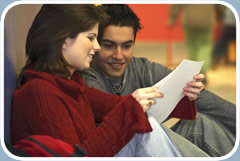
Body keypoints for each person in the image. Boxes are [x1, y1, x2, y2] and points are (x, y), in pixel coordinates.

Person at [10, 4, 200, 157]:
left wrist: (181, 92)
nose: (97, 46)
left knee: (150, 124)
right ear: (64, 40)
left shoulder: (70, 84)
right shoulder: (40, 93)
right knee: (147, 133)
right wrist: (131, 109)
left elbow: (119, 105)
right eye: (91, 38)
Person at [84, 4, 236, 157]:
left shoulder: (142, 69)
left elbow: (212, 103)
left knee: (201, 123)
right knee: (148, 128)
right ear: (95, 44)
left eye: (127, 46)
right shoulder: (84, 77)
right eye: (109, 46)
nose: (118, 55)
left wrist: (188, 93)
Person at [168, 4, 225, 83]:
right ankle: (203, 70)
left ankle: (194, 71)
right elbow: (220, 5)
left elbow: (176, 4)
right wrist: (221, 17)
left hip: (189, 19)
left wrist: (172, 18)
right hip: (206, 20)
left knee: (192, 46)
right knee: (205, 46)